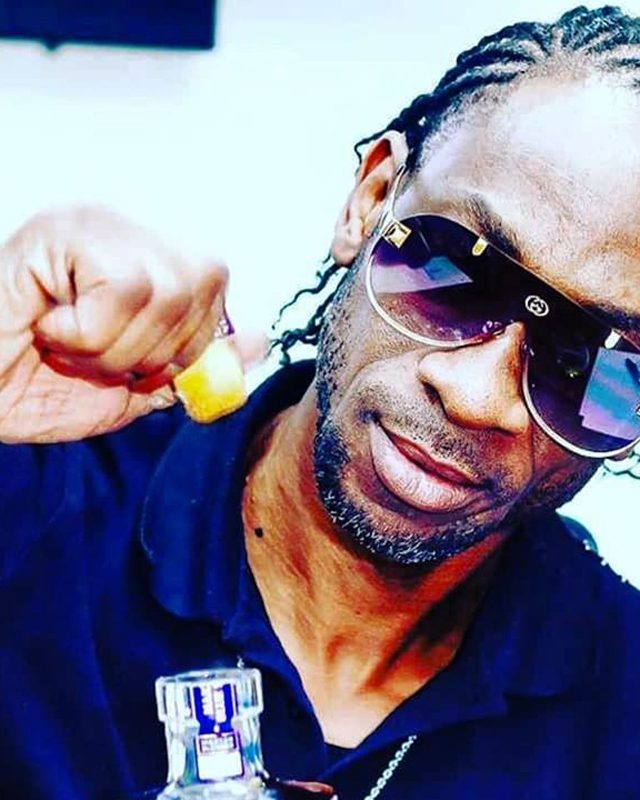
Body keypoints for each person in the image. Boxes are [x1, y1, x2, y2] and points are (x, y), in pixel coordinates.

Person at [1, 5, 640, 799]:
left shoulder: (622, 718)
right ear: (369, 198)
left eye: (592, 363)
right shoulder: (34, 503)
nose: (479, 397)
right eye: (456, 273)